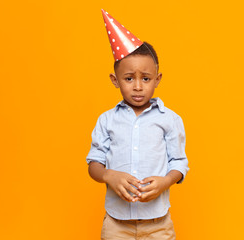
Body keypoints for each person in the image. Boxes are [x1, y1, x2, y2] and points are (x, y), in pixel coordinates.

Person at [86, 10, 189, 240]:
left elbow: (179, 163)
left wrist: (165, 181)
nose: (138, 87)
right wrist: (108, 176)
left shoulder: (169, 120)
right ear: (115, 80)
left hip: (158, 223)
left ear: (157, 79)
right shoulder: (107, 120)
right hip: (116, 223)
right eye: (129, 78)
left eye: (146, 78)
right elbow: (93, 163)